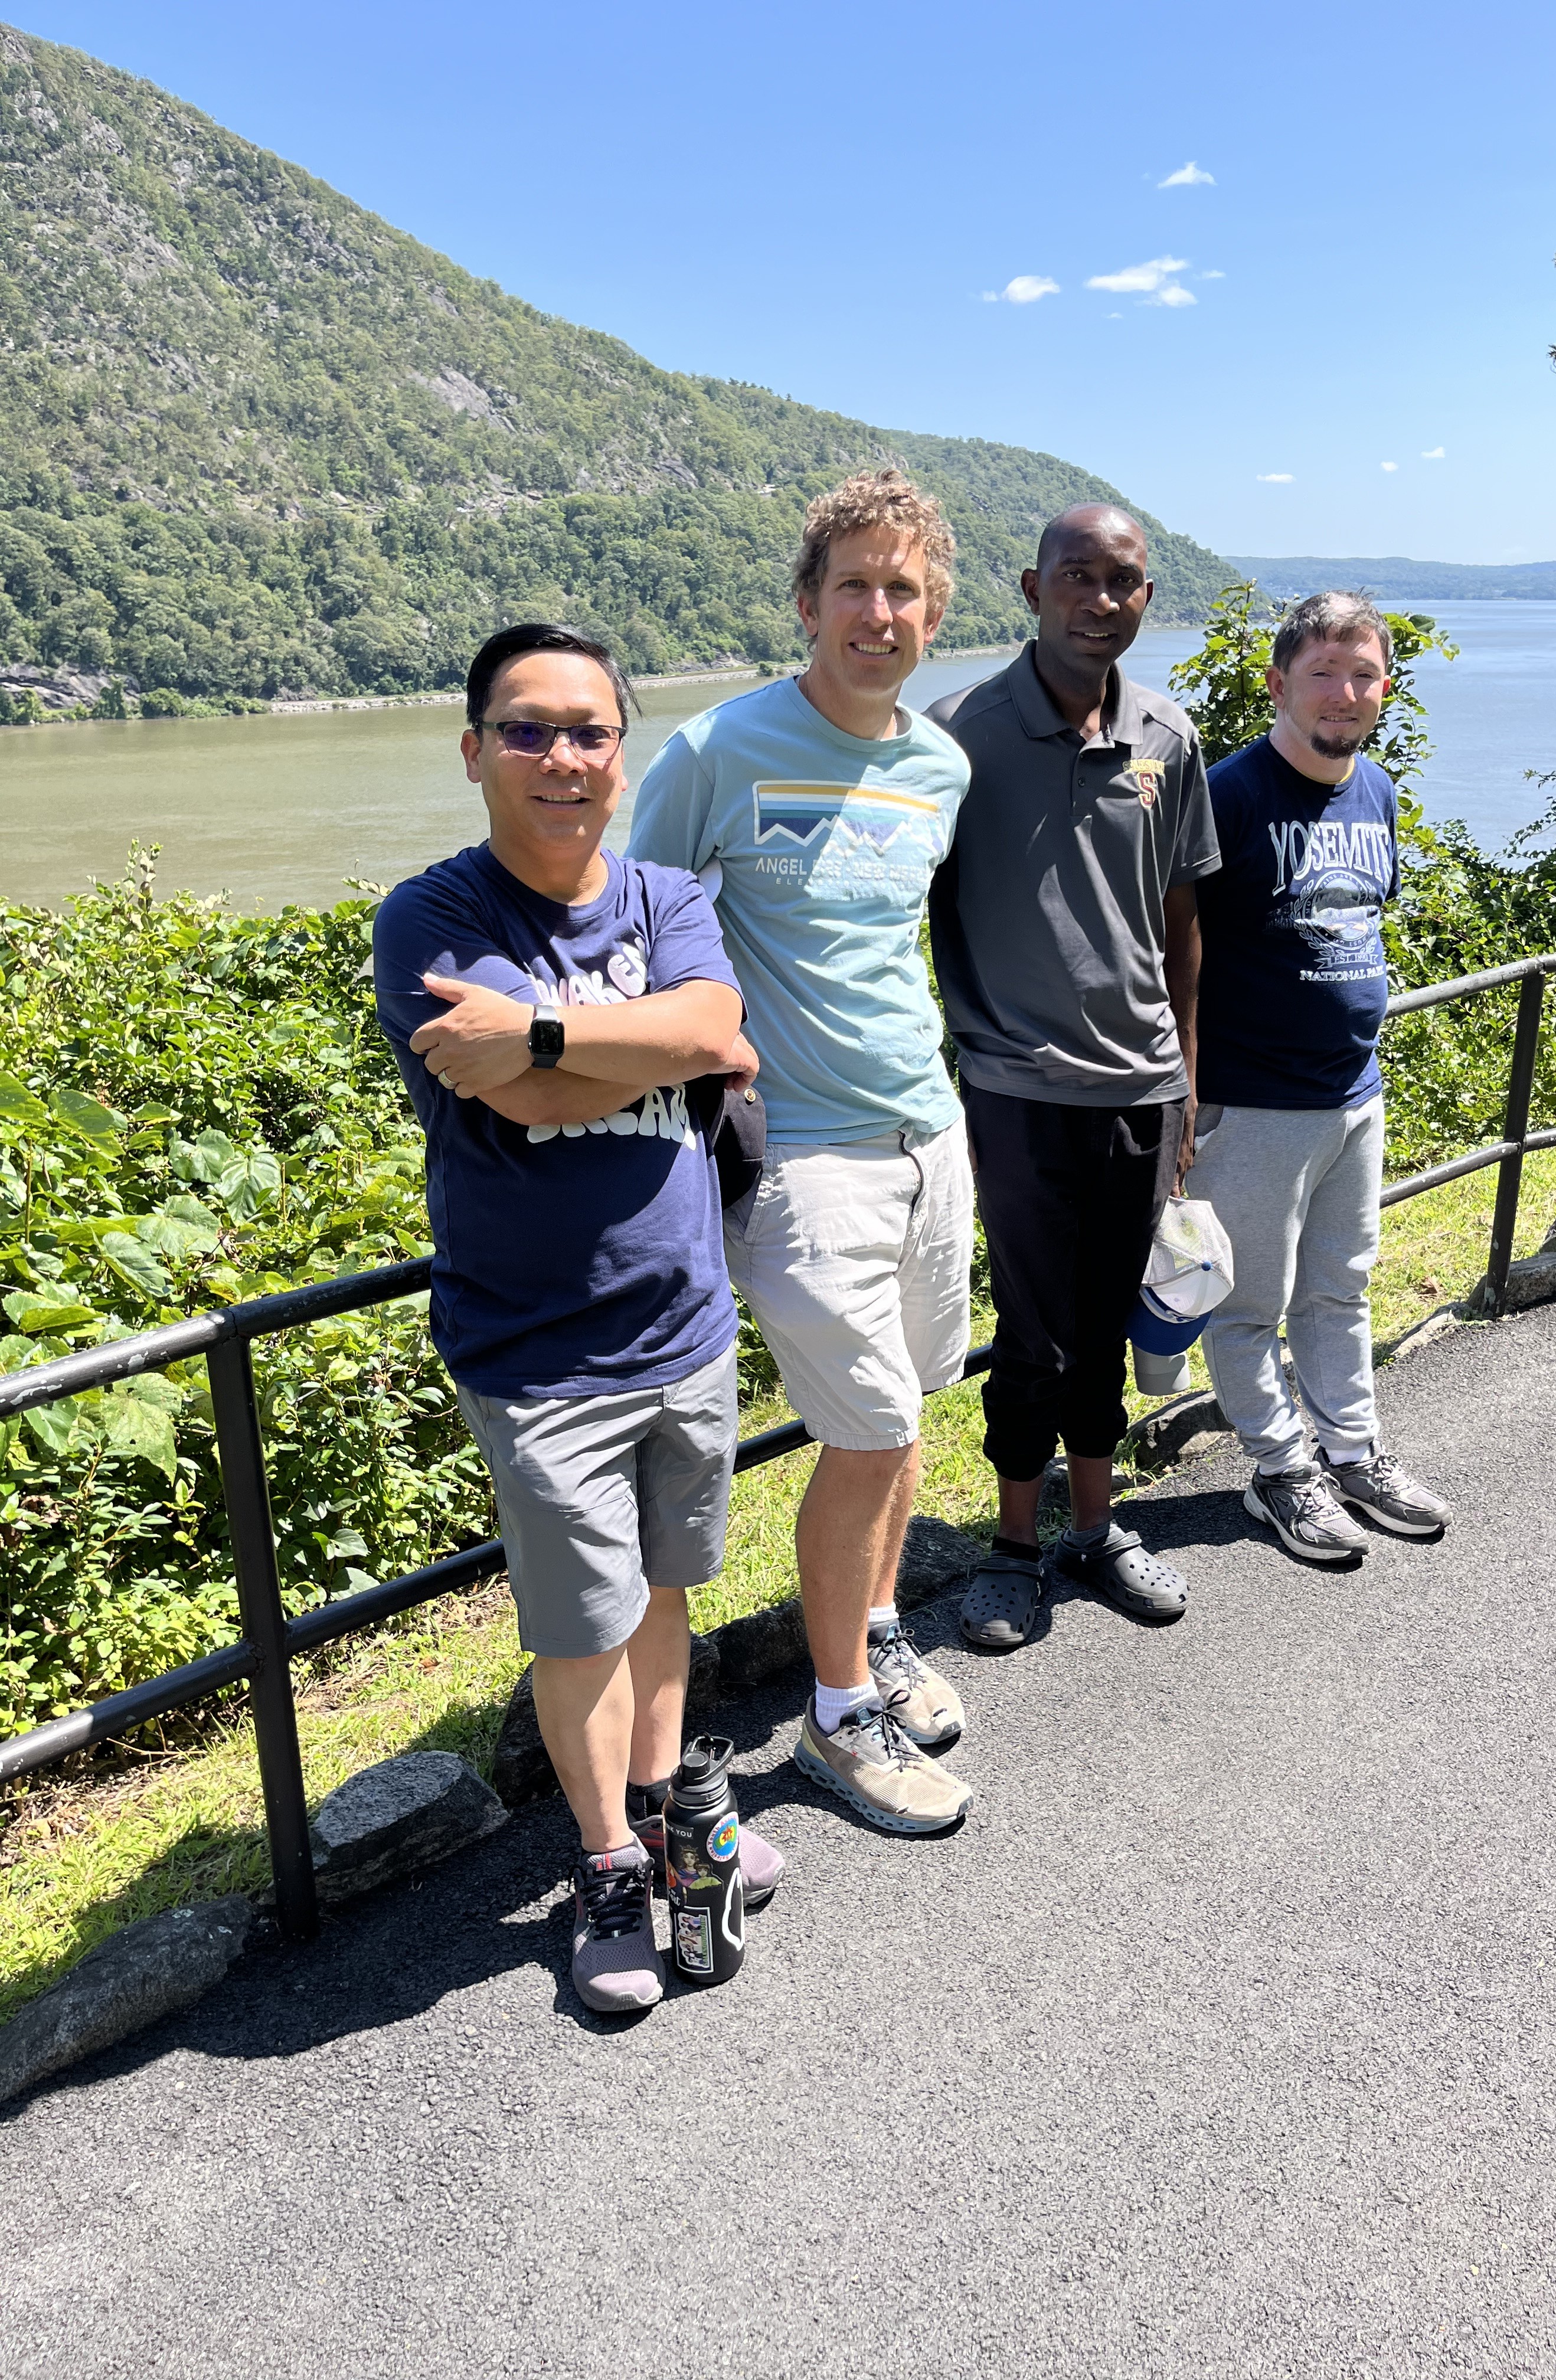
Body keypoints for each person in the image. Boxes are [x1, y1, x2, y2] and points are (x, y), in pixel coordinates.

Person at [372, 622, 784, 2019]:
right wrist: (629, 1044)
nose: (563, 757)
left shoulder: (668, 895)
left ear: (625, 750)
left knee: (666, 1595)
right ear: (476, 748)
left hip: (686, 1320)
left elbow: (716, 1032)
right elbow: (535, 1104)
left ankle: (672, 1830)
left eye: (590, 732)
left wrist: (541, 1034)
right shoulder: (431, 917)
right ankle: (609, 1865)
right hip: (541, 1351)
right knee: (578, 1629)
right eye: (530, 729)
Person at [627, 470, 976, 1835]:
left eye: (902, 589)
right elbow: (633, 927)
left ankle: (875, 1627)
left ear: (932, 611)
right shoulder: (719, 749)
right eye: (854, 586)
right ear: (808, 601)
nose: (877, 612)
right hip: (802, 1160)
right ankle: (838, 1722)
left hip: (928, 1134)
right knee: (871, 1428)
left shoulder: (937, 765)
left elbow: (896, 946)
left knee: (907, 1418)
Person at [927, 505, 1220, 1649]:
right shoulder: (956, 737)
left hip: (1143, 1089)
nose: (1102, 599)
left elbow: (1184, 922)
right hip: (1016, 1088)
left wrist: (1188, 1080)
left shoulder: (1167, 737)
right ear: (1031, 587)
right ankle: (1012, 1546)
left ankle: (1096, 1530)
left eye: (1126, 581)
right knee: (1034, 1333)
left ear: (1147, 594)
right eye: (1078, 577)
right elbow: (908, 908)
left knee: (1106, 1327)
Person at [1191, 590, 1452, 1560]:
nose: (1344, 694)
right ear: (1278, 685)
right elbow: (1174, 952)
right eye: (1322, 674)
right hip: (1252, 1101)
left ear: (1384, 685)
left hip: (1355, 1091)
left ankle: (1354, 1451)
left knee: (1342, 1287)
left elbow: (1363, 920)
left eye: (1362, 675)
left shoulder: (1376, 790)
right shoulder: (1229, 796)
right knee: (1249, 1303)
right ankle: (1280, 1473)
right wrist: (1186, 1093)